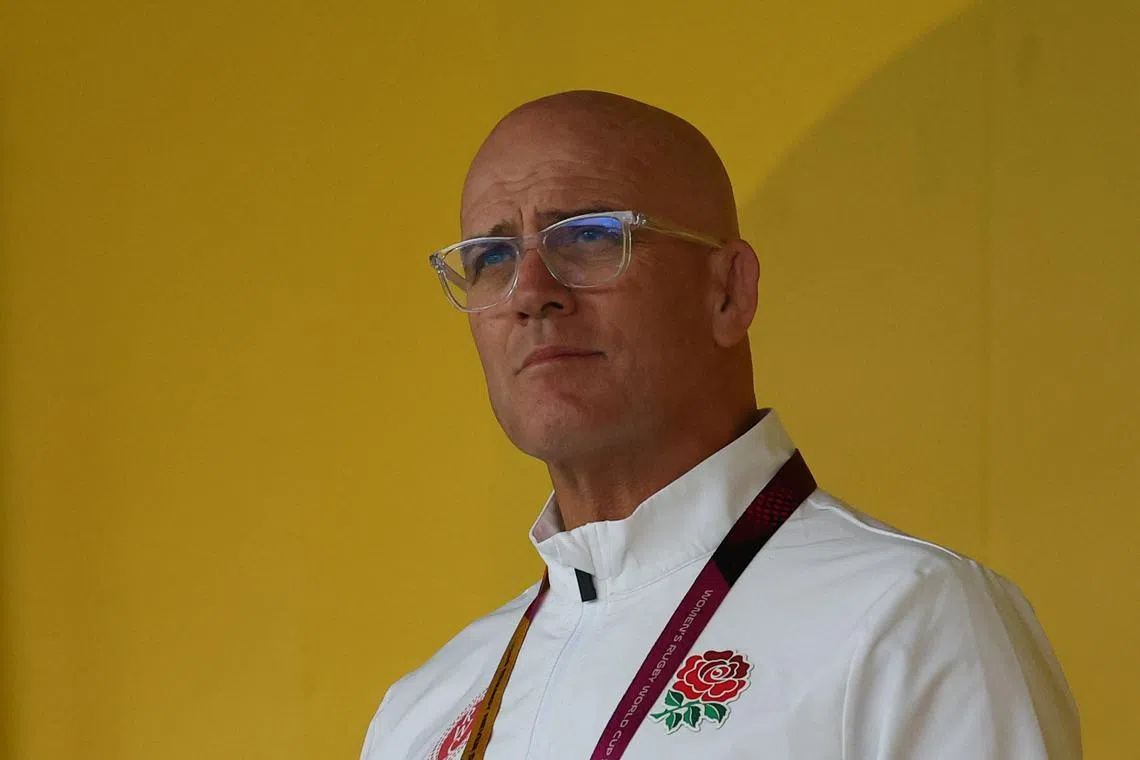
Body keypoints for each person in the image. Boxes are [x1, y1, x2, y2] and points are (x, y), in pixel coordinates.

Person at [359, 91, 1080, 760]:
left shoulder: (909, 623)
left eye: (589, 236)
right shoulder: (423, 711)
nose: (532, 291)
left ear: (729, 291)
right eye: (491, 257)